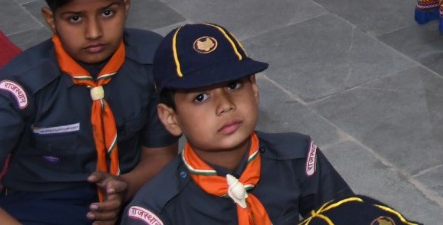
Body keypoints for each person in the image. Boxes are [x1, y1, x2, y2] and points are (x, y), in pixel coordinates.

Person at [0, 0, 175, 225]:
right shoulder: (21, 85)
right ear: (51, 20)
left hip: (129, 189)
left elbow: (162, 155)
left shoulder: (152, 60)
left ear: (126, 6)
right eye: (75, 18)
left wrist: (126, 187)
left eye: (107, 13)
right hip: (42, 201)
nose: (94, 32)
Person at [125, 24, 352, 223]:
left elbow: (351, 216)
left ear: (254, 90)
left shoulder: (298, 158)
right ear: (171, 119)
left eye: (233, 86)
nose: (225, 105)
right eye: (200, 97)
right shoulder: (156, 212)